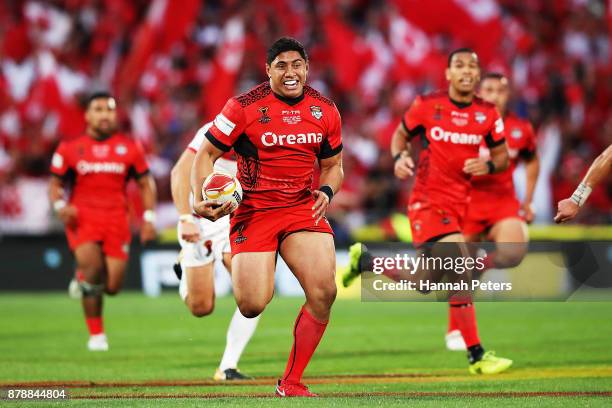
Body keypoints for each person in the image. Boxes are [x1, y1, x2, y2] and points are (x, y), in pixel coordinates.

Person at [343, 49, 513, 374]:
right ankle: (476, 355)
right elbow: (399, 136)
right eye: (459, 66)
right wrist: (399, 158)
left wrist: (489, 164)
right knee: (460, 267)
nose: (466, 71)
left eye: (472, 67)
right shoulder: (426, 105)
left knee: (426, 282)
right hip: (428, 201)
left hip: (459, 205)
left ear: (477, 76)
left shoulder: (488, 114)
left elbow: (502, 157)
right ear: (448, 74)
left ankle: (366, 260)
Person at [191, 37, 343, 397]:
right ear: (268, 70)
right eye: (281, 66)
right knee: (252, 303)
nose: (290, 72)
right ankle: (211, 255)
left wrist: (327, 191)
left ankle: (291, 382)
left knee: (324, 292)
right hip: (254, 210)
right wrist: (200, 198)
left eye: (296, 65)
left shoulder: (326, 110)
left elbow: (334, 165)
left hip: (303, 208)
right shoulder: (242, 107)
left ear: (306, 68)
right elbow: (205, 154)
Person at [49, 92, 157, 351]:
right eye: (98, 109)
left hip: (117, 220)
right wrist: (60, 205)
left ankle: (82, 277)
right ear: (87, 115)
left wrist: (149, 218)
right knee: (93, 272)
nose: (105, 114)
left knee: (113, 287)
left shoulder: (130, 147)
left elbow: (145, 183)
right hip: (82, 220)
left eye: (109, 109)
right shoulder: (69, 148)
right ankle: (97, 335)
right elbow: (55, 183)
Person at [445, 72, 540, 351]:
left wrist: (529, 201)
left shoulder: (521, 128)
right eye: (488, 89)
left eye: (500, 90)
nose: (494, 95)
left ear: (507, 94)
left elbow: (532, 162)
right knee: (462, 271)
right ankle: (455, 329)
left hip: (503, 203)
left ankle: (481, 264)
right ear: (477, 92)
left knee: (513, 253)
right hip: (468, 203)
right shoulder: (460, 123)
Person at [170, 121, 258, 380]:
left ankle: (228, 366)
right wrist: (185, 218)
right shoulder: (220, 127)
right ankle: (186, 260)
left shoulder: (277, 132)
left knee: (253, 293)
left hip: (240, 217)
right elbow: (180, 172)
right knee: (201, 307)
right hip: (204, 216)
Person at [554, 144, 611, 223]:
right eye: (572, 174)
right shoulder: (562, 189)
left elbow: (606, 210)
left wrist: (578, 201)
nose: (575, 177)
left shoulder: (594, 185)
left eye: (577, 174)